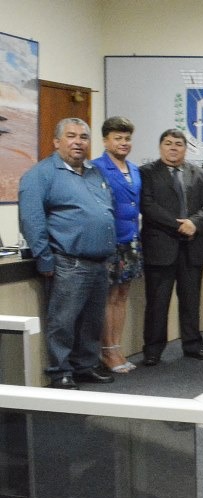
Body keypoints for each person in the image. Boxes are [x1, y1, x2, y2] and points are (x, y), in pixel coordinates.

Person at [19, 118, 117, 389]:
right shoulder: (41, 174)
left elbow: (105, 211)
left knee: (92, 321)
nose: (78, 142)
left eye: (83, 137)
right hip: (68, 261)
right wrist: (44, 257)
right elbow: (32, 219)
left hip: (99, 261)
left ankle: (85, 366)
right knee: (63, 322)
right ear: (56, 142)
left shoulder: (95, 172)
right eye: (71, 136)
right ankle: (60, 371)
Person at [139, 129, 203, 366]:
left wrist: (195, 223)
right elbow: (148, 205)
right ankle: (153, 350)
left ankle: (193, 345)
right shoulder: (147, 173)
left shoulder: (200, 174)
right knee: (157, 303)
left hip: (192, 248)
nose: (173, 148)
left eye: (178, 144)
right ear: (160, 147)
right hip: (161, 248)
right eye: (168, 143)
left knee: (191, 301)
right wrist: (177, 225)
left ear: (186, 149)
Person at [92, 116, 143, 374]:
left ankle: (117, 346)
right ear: (105, 140)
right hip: (108, 241)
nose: (123, 143)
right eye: (118, 138)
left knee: (122, 296)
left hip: (131, 240)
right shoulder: (96, 167)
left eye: (127, 138)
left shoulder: (134, 169)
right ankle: (107, 350)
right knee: (108, 297)